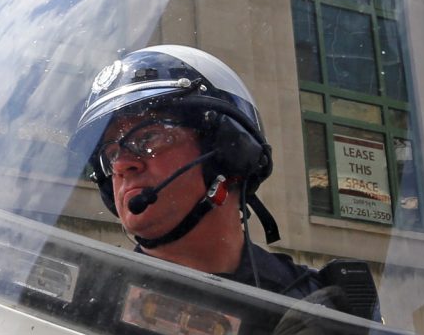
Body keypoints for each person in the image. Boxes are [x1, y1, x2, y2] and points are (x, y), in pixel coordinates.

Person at [76, 45, 334, 301]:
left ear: (228, 152)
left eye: (149, 138)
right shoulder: (90, 300)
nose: (121, 165)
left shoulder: (322, 305)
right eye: (111, 155)